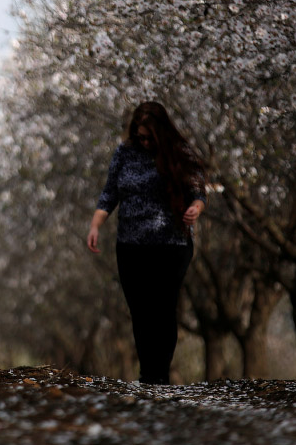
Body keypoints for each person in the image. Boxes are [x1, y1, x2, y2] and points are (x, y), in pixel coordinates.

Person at [86, 101, 206, 385]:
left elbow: (198, 190)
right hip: (131, 246)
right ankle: (147, 374)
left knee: (163, 309)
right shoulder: (125, 153)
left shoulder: (181, 152)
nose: (144, 142)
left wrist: (197, 207)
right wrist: (95, 225)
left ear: (160, 132)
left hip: (171, 245)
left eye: (149, 137)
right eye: (139, 136)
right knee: (140, 311)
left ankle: (159, 375)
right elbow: (109, 193)